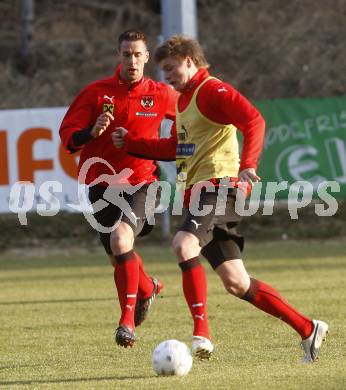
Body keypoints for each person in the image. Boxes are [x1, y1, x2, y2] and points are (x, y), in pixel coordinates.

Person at [112, 35, 328, 362]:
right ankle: (308, 329)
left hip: (220, 187)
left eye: (170, 68)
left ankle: (202, 333)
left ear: (189, 60)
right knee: (237, 283)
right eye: (163, 71)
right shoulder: (183, 101)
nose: (165, 76)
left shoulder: (211, 90)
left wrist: (249, 166)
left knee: (183, 244)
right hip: (200, 193)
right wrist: (131, 143)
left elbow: (253, 120)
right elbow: (176, 148)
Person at [59, 29, 178, 348]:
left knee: (121, 239)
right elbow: (68, 135)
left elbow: (192, 117)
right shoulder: (96, 93)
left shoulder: (161, 93)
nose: (132, 60)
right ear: (119, 56)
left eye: (138, 54)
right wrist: (90, 131)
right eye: (126, 54)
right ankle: (148, 287)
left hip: (143, 182)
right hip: (101, 184)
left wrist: (185, 148)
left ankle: (126, 323)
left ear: (147, 57)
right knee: (117, 256)